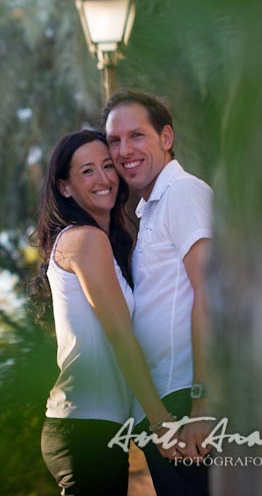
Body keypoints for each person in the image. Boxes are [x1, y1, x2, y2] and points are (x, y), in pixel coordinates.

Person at [35, 129, 182, 496]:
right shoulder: (84, 239)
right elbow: (120, 336)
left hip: (97, 428)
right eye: (87, 171)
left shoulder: (100, 243)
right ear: (64, 187)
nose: (104, 179)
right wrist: (161, 420)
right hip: (85, 430)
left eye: (107, 166)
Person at [103, 88, 214, 496]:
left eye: (137, 136)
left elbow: (211, 292)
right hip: (165, 407)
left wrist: (204, 402)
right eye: (114, 140)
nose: (123, 150)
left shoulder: (182, 192)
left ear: (166, 138)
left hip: (186, 400)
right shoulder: (151, 208)